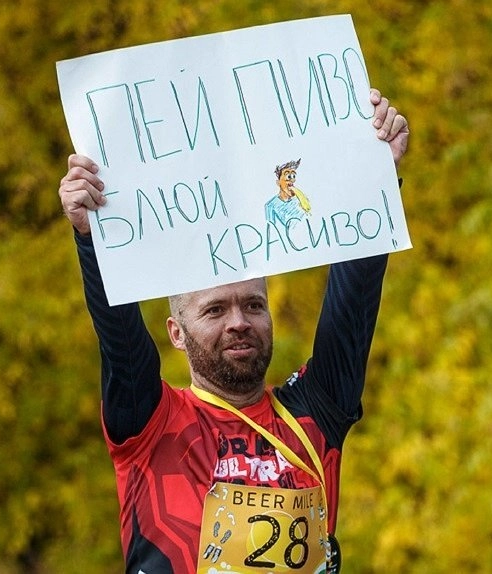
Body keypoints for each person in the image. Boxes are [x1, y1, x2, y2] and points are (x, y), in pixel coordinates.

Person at [58, 88, 408, 573]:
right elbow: (119, 339)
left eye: (253, 305)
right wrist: (90, 236)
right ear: (176, 333)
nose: (239, 322)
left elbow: (353, 306)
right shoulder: (151, 421)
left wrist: (376, 176)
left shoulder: (315, 413)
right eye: (215, 310)